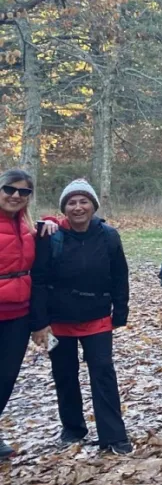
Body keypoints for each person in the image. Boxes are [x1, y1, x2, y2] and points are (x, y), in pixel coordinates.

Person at [32, 180, 131, 454]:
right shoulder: (51, 236)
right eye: (71, 203)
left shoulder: (109, 235)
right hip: (58, 320)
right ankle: (73, 429)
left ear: (93, 206)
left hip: (98, 316)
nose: (78, 207)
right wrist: (39, 322)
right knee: (65, 375)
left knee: (103, 374)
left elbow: (120, 275)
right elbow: (37, 280)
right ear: (64, 208)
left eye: (83, 201)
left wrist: (120, 310)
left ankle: (113, 435)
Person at [0, 170, 56, 460]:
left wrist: (52, 223)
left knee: (7, 377)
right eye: (9, 189)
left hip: (19, 314)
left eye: (23, 192)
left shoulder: (26, 225)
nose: (16, 196)